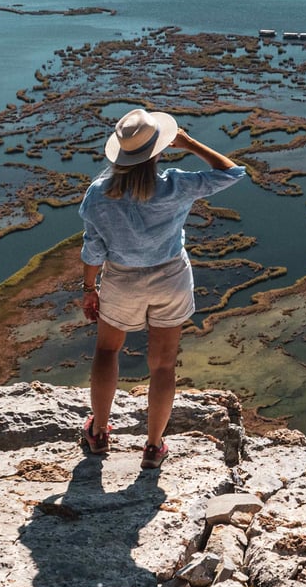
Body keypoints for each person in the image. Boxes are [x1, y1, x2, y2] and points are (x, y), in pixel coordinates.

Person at [76, 105, 247, 466]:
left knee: (107, 352)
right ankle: (153, 447)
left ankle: (100, 432)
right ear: (159, 149)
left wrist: (90, 289)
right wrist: (188, 143)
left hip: (121, 279)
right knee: (163, 365)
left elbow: (93, 250)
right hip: (170, 277)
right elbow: (232, 173)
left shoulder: (98, 193)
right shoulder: (175, 185)